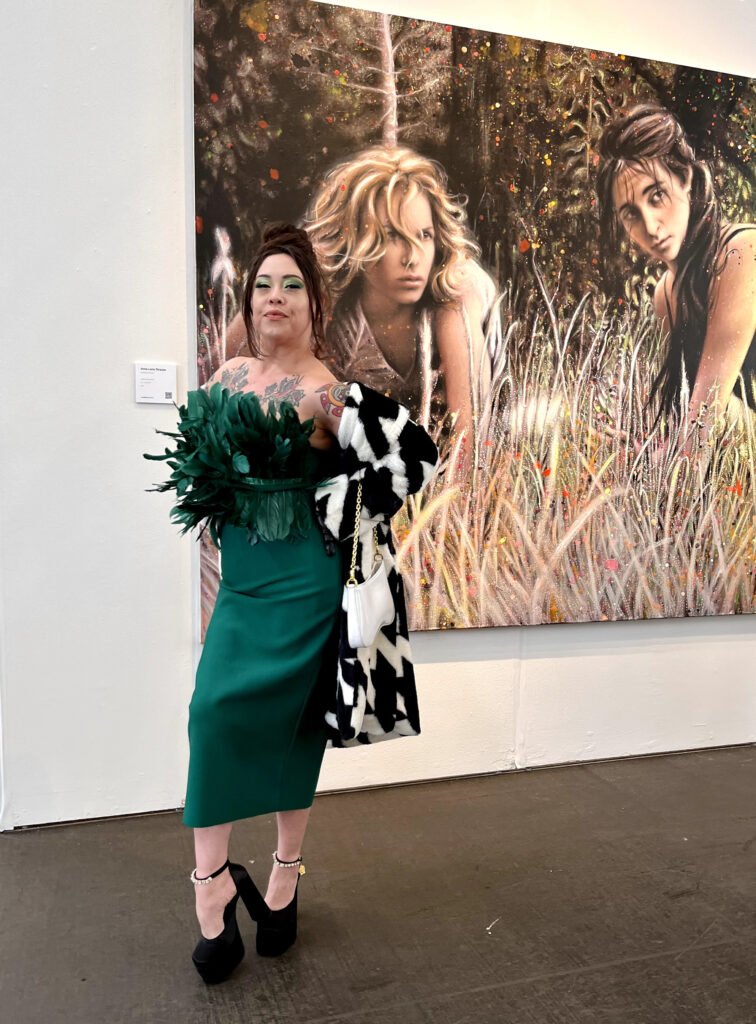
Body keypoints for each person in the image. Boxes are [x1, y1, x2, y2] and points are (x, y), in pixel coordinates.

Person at [145, 224, 438, 984]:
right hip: (244, 589)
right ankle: (210, 890)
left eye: (292, 287)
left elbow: (418, 458)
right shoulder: (228, 374)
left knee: (294, 732)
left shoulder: (326, 391)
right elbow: (203, 471)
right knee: (212, 717)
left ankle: (282, 878)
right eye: (264, 287)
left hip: (308, 586)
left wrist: (339, 500)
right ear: (250, 302)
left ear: (314, 304)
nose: (275, 298)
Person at [227, 146, 496, 443]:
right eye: (392, 235)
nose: (413, 257)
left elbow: (470, 445)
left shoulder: (452, 295)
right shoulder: (331, 299)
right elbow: (226, 362)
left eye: (425, 235)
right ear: (355, 239)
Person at [596, 105, 756, 444]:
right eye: (631, 215)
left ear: (685, 179)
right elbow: (688, 411)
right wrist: (648, 447)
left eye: (657, 196)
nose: (650, 226)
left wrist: (660, 461)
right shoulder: (665, 295)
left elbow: (710, 412)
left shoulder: (742, 251)